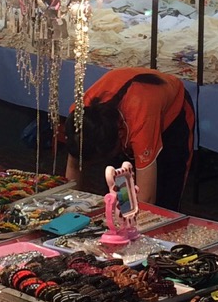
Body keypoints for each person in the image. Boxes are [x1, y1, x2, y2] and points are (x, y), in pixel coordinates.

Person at [61, 68, 195, 208]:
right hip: (127, 110)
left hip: (172, 117)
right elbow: (74, 166)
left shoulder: (140, 121)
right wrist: (72, 209)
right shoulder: (80, 119)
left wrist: (139, 225)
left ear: (119, 137)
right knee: (119, 196)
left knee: (165, 197)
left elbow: (147, 199)